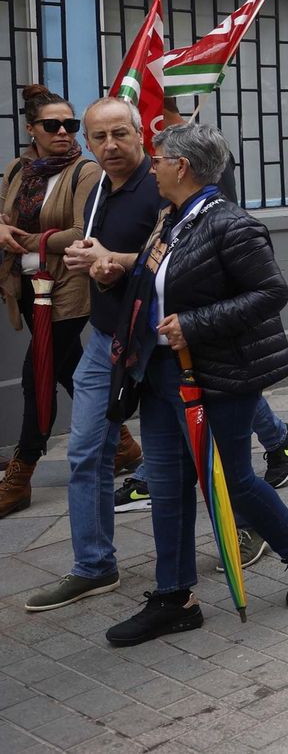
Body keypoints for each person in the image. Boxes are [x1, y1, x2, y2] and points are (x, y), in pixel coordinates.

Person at [104, 122, 288, 645]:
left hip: (221, 374)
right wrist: (118, 273)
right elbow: (159, 282)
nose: (151, 165)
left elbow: (271, 292)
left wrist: (194, 324)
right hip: (162, 374)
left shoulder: (231, 225)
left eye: (158, 159)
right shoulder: (171, 219)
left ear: (181, 167)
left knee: (227, 481)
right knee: (166, 485)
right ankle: (175, 596)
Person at [24, 98, 162, 610]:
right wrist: (88, 256)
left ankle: (251, 530)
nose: (110, 146)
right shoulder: (102, 185)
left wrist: (117, 263)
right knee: (86, 454)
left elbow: (170, 254)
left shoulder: (160, 183)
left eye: (119, 135)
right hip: (106, 340)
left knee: (196, 451)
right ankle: (94, 565)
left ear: (140, 132)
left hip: (159, 341)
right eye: (99, 137)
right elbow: (99, 249)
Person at [0, 87, 100, 519]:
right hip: (25, 286)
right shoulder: (18, 170)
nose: (63, 132)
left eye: (70, 125)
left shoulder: (85, 172)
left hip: (65, 287)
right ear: (31, 129)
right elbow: (4, 215)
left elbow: (81, 233)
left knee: (35, 375)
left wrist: (23, 239)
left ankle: (22, 473)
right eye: (52, 125)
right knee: (67, 368)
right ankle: (119, 447)